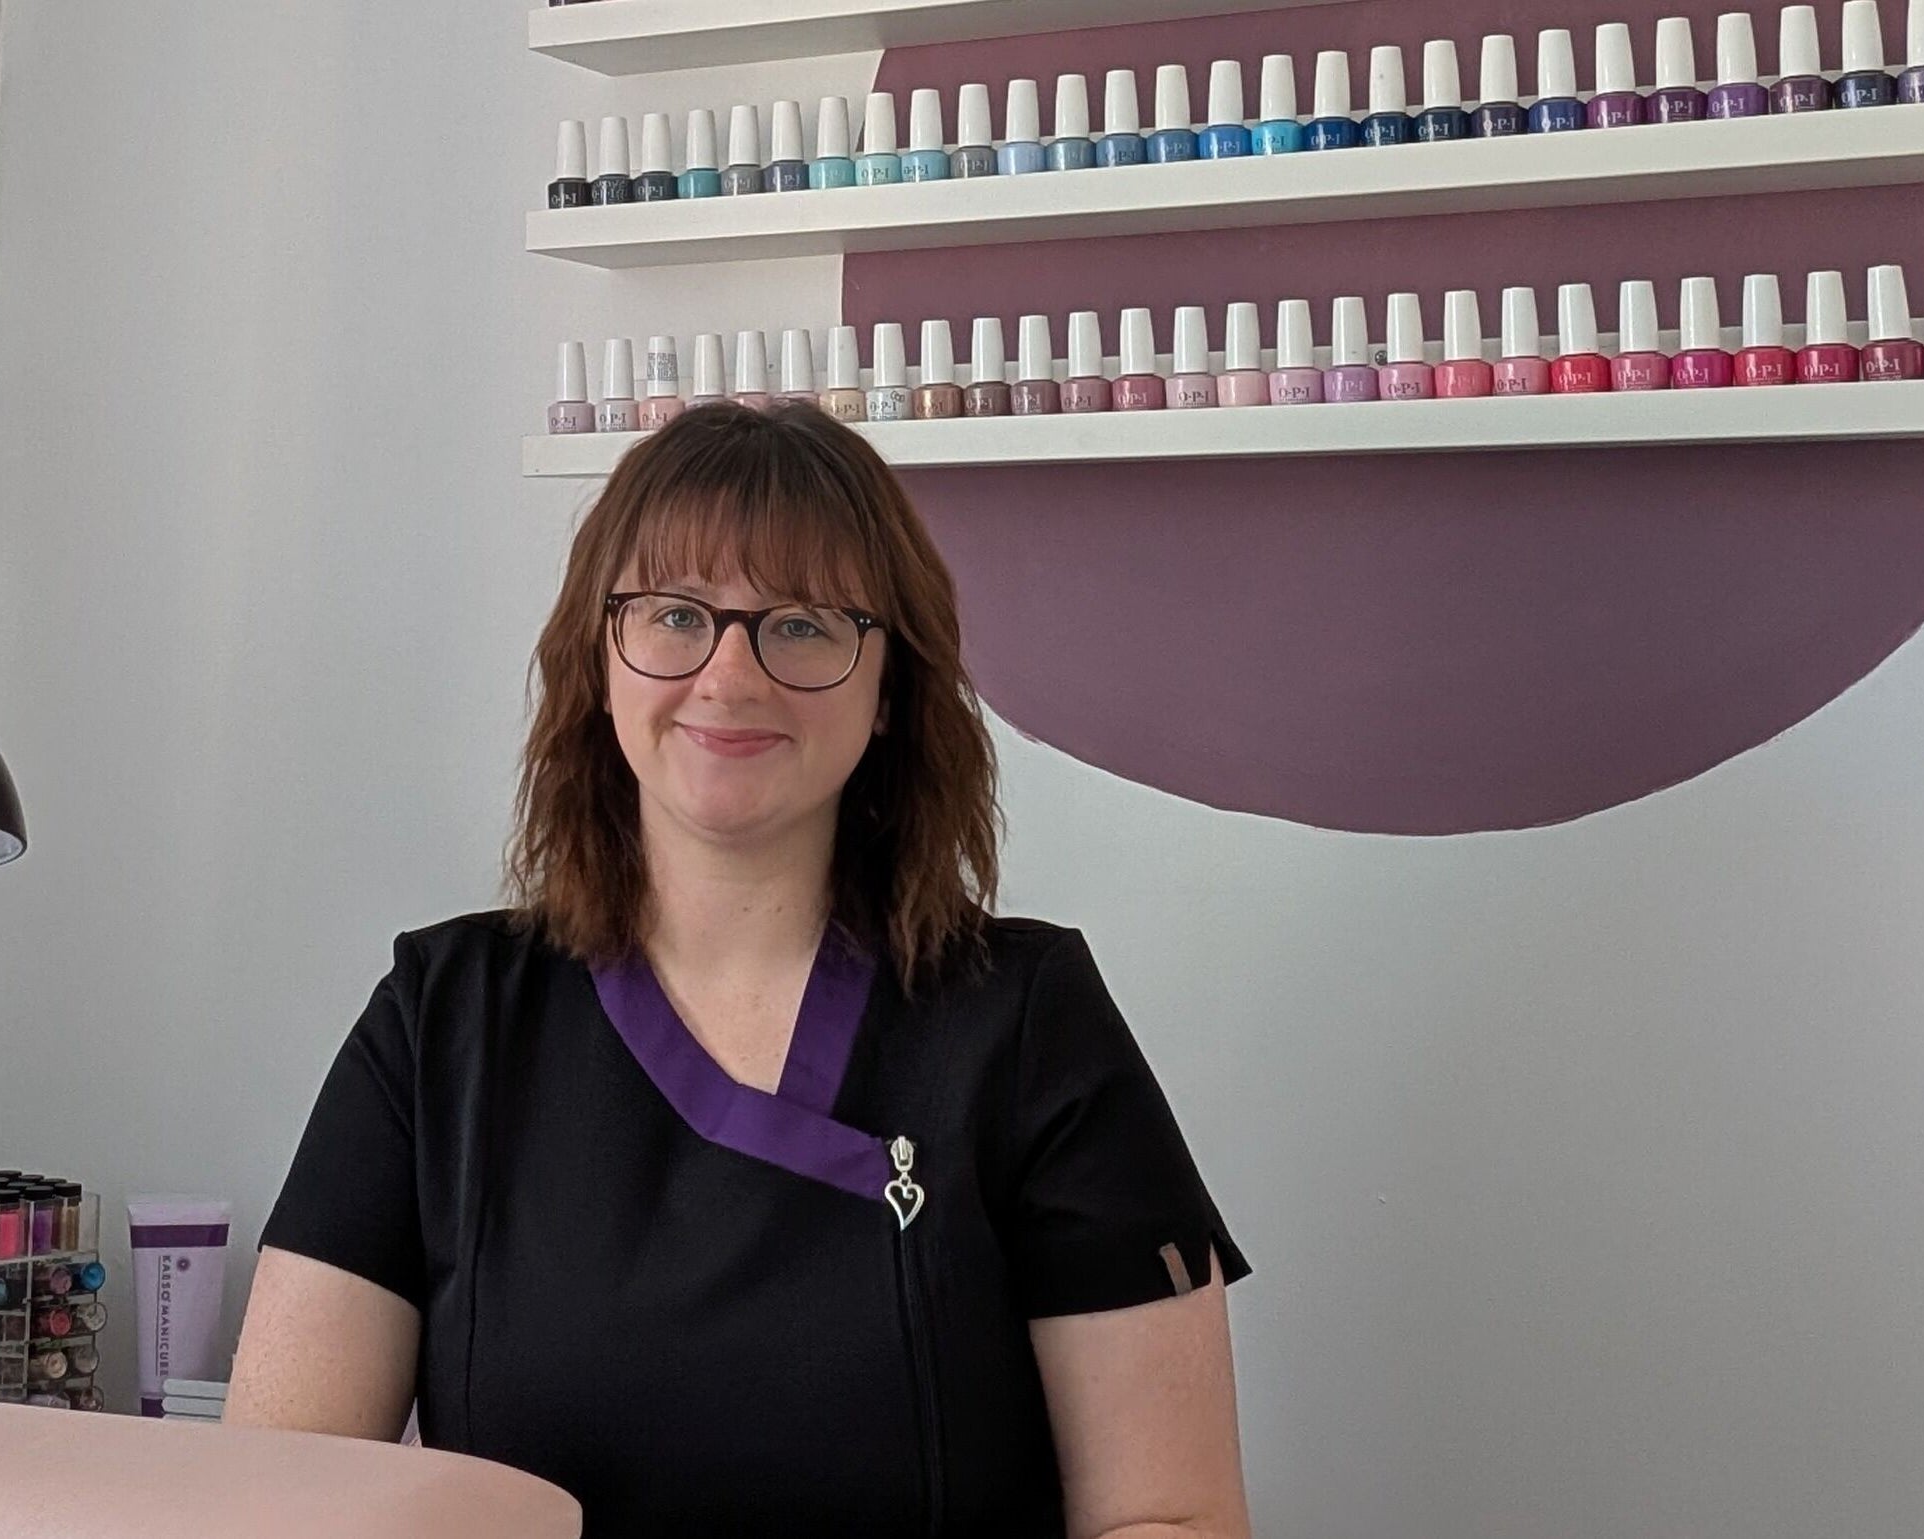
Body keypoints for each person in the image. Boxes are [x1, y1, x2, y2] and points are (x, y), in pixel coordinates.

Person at [227, 402, 1252, 1538]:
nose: (728, 674)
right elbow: (281, 1503)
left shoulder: (1025, 1023)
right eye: (674, 614)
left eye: (801, 624)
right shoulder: (440, 1023)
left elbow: (1168, 1519)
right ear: (597, 660)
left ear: (889, 691)